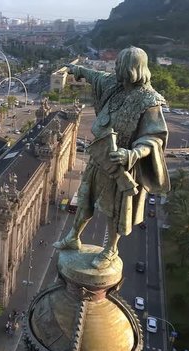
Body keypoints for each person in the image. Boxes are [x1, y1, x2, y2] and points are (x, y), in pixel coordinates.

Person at [54, 47, 170, 269]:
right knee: (85, 197)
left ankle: (111, 249)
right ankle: (73, 237)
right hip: (100, 155)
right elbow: (96, 76)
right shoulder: (114, 86)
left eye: (119, 65)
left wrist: (132, 154)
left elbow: (154, 138)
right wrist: (77, 69)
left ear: (131, 69)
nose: (115, 68)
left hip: (121, 164)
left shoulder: (149, 101)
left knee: (114, 210)